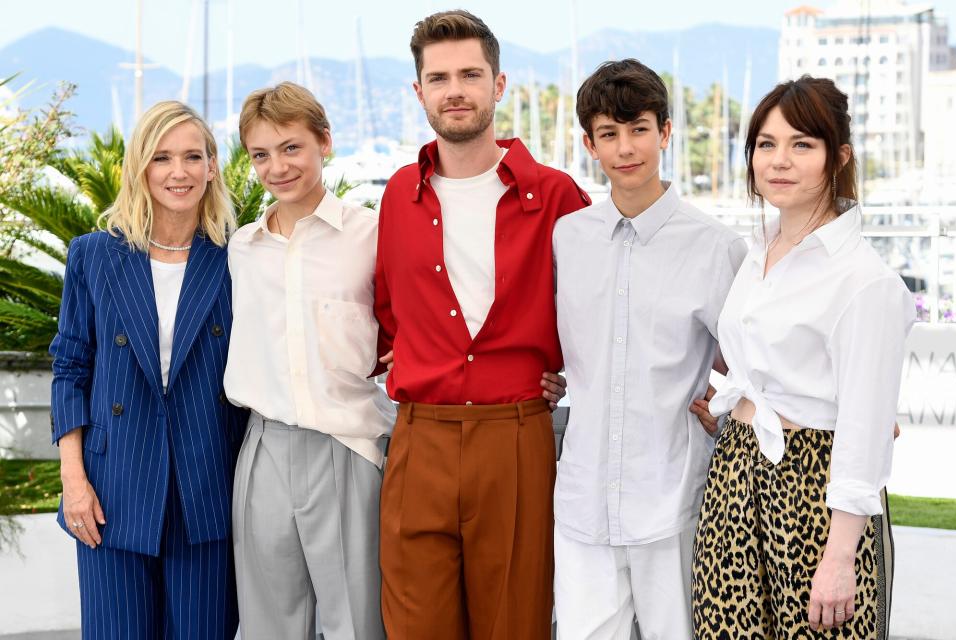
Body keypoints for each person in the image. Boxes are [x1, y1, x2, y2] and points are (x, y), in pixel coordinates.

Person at [373, 10, 589, 639]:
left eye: (470, 74)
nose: (455, 90)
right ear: (420, 93)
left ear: (499, 85)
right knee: (414, 626)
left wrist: (567, 372)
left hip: (515, 437)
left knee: (515, 625)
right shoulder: (396, 198)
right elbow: (387, 312)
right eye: (438, 78)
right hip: (420, 438)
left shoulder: (556, 197)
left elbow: (598, 307)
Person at [690, 75, 915, 638]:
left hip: (815, 493)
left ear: (838, 157)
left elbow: (864, 431)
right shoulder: (756, 251)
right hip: (733, 477)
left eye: (802, 144)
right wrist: (727, 407)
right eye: (766, 144)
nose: (779, 161)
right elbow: (759, 360)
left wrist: (841, 556)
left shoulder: (867, 281)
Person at [551, 59, 747, 640]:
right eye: (608, 134)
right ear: (589, 143)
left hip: (673, 501)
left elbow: (747, 366)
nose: (625, 147)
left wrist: (731, 407)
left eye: (638, 128)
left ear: (665, 132)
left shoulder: (716, 248)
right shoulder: (569, 237)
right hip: (583, 498)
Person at [50, 100, 243, 639]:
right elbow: (70, 367)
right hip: (112, 491)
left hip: (206, 492)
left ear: (211, 168)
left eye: (192, 157)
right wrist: (74, 481)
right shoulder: (93, 255)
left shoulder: (238, 258)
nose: (178, 172)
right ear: (139, 167)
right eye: (161, 158)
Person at [223, 82, 393, 640]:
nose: (277, 167)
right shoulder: (241, 250)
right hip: (263, 446)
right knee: (268, 624)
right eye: (261, 154)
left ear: (325, 142)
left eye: (291, 147)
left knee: (357, 621)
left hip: (347, 445)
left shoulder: (372, 236)